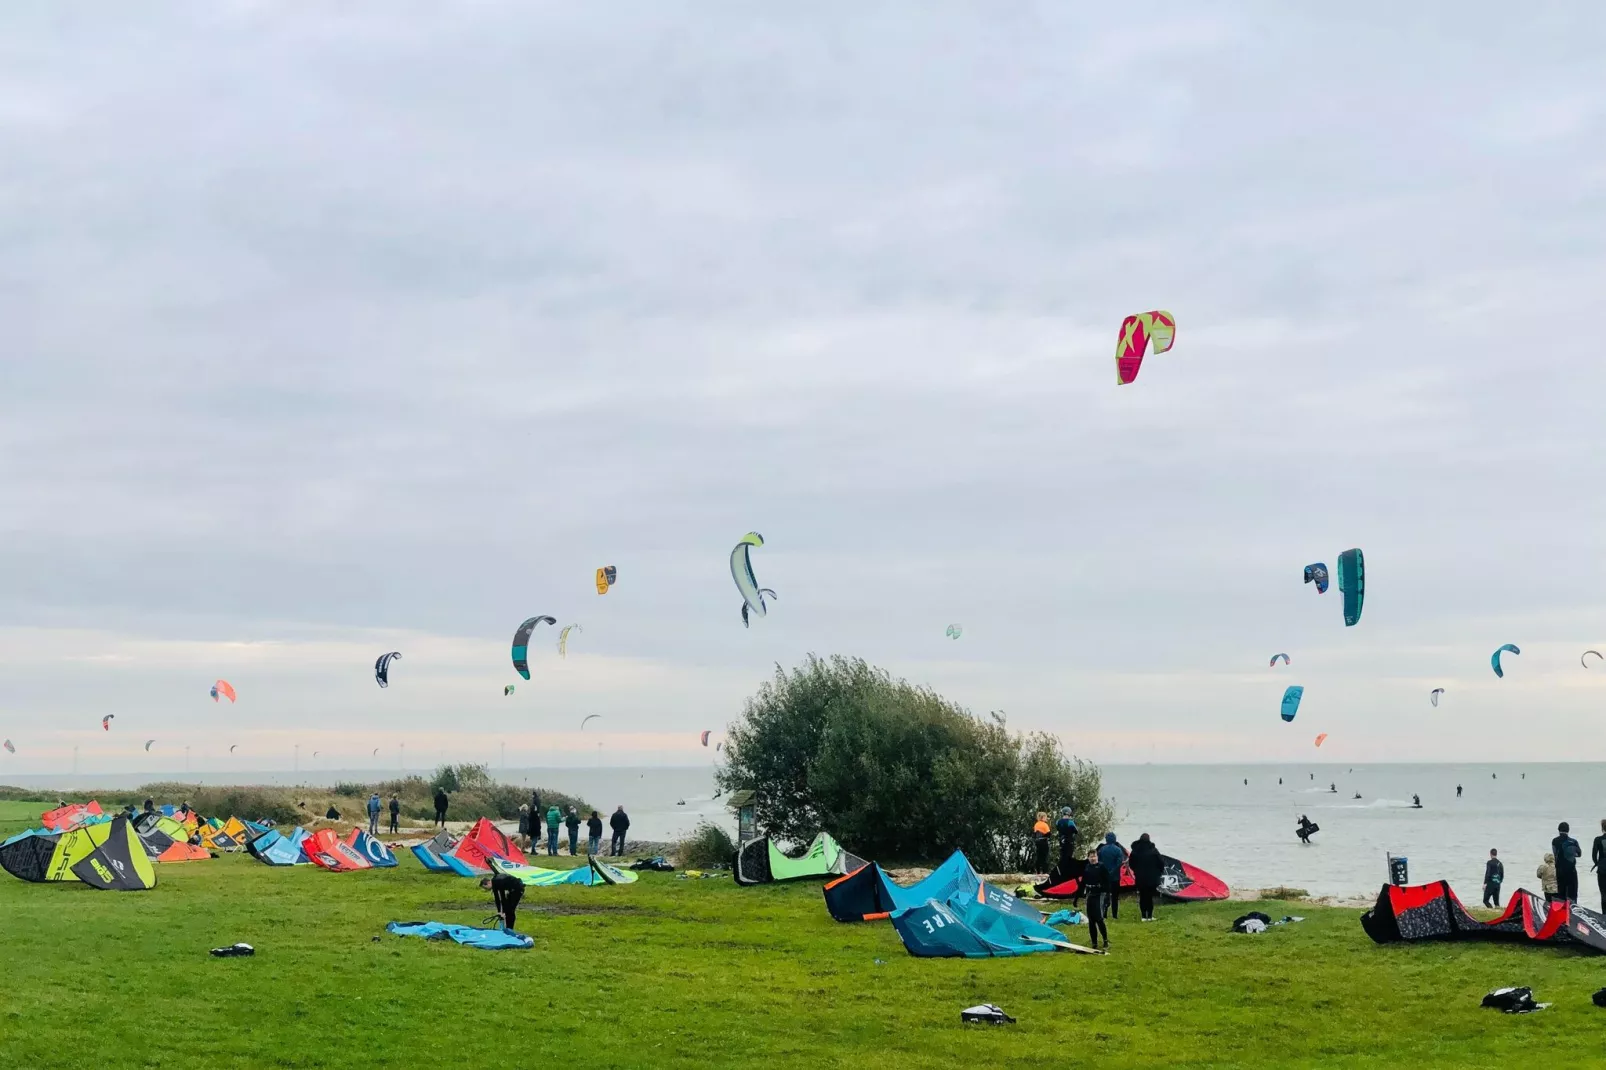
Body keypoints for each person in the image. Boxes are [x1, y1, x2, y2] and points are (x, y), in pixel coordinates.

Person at [1129, 832, 1163, 922]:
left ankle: (1143, 916)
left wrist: (1136, 871)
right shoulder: (1153, 850)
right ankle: (1150, 916)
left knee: (1142, 896)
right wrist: (1158, 873)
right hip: (1152, 878)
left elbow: (1131, 864)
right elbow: (1161, 863)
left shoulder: (1135, 851)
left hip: (1140, 878)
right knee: (1149, 897)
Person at [1081, 848, 1109, 950]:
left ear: (1097, 857)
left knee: (1099, 918)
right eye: (1091, 856)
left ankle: (1105, 940)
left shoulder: (1101, 867)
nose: (1093, 858)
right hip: (1090, 894)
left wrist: (1107, 897)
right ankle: (1094, 942)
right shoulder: (1087, 868)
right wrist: (1077, 897)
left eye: (1095, 856)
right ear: (1088, 858)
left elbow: (1107, 882)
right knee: (1091, 920)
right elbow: (1082, 883)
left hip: (1100, 894)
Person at [1097, 831, 1127, 920]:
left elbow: (1099, 862)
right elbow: (1119, 863)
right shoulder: (1118, 850)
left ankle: (1104, 914)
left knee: (1105, 896)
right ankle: (1114, 915)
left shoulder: (1101, 850)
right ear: (1114, 839)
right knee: (1115, 897)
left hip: (1104, 877)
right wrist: (1112, 872)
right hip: (1115, 878)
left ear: (1106, 839)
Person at [1553, 822, 1582, 904]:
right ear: (1568, 830)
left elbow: (1555, 854)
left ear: (1559, 830)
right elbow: (1579, 854)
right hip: (1571, 870)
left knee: (1560, 893)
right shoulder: (1573, 841)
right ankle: (1573, 911)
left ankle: (1560, 911)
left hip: (1559, 870)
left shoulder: (1555, 841)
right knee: (1572, 893)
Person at [1594, 820, 1606, 912]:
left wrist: (1597, 863)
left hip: (1602, 869)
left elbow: (1594, 855)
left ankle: (1604, 916)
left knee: (1603, 894)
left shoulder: (1598, 840)